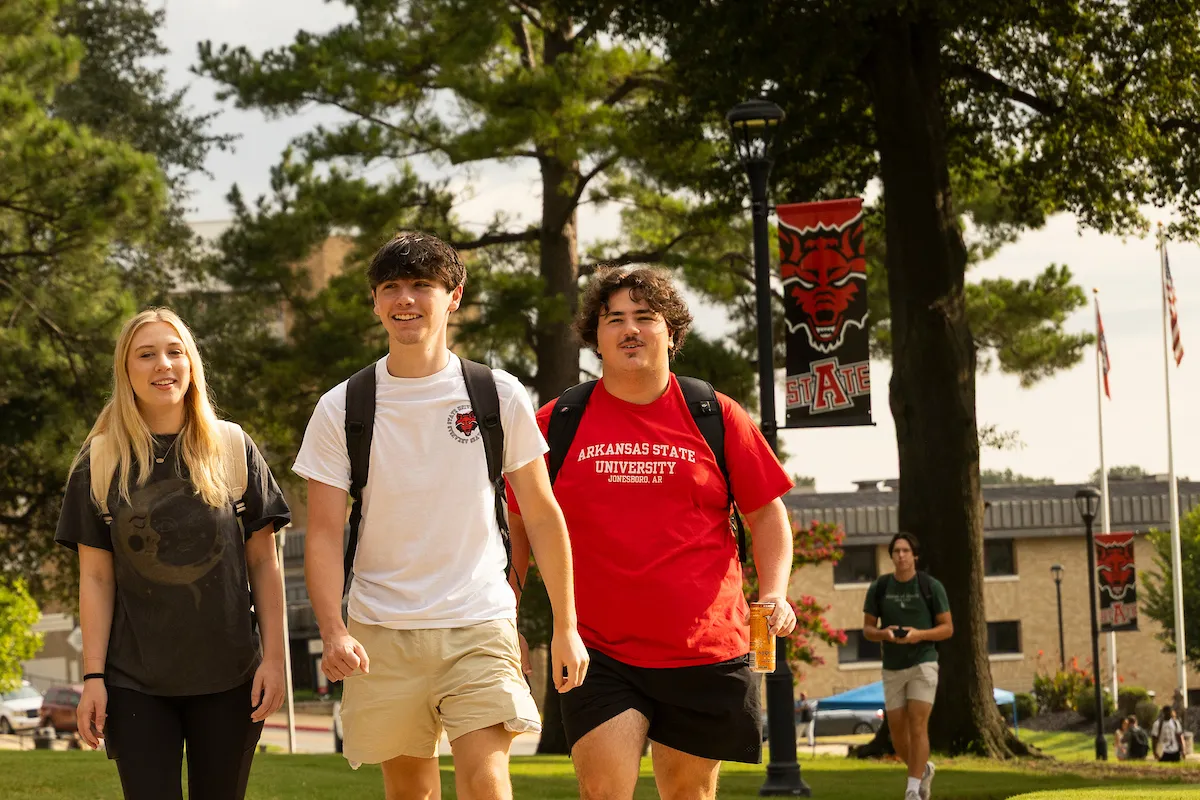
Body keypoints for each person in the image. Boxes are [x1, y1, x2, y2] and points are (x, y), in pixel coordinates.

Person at [294, 232, 588, 800]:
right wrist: (333, 629)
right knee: (411, 792)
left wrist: (566, 628)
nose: (406, 300)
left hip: (478, 620)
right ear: (376, 303)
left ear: (453, 296)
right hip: (380, 629)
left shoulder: (496, 394)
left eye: (422, 286)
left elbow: (544, 517)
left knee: (486, 781)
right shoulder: (342, 407)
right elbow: (326, 534)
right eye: (392, 288)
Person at [506, 265, 799, 800]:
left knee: (690, 795)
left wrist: (774, 591)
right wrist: (511, 616)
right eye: (613, 318)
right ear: (595, 336)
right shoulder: (560, 420)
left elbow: (767, 514)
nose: (629, 329)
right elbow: (517, 522)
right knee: (604, 791)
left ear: (673, 332)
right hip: (597, 649)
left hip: (705, 648)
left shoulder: (715, 413)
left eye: (645, 317)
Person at [55, 308, 291, 800]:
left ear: (191, 364)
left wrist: (275, 659)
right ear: (126, 371)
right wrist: (93, 677)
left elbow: (264, 563)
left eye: (174, 351)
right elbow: (96, 580)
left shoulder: (232, 447)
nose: (163, 364)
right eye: (146, 354)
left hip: (231, 678)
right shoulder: (99, 463)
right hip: (134, 682)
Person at [863, 533, 953, 800]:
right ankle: (922, 770)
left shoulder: (930, 586)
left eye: (905, 551)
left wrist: (918, 635)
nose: (900, 555)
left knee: (918, 725)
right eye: (896, 551)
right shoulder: (880, 587)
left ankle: (912, 790)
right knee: (898, 734)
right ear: (891, 556)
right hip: (892, 666)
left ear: (915, 556)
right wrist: (884, 634)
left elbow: (947, 628)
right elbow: (868, 629)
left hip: (923, 663)